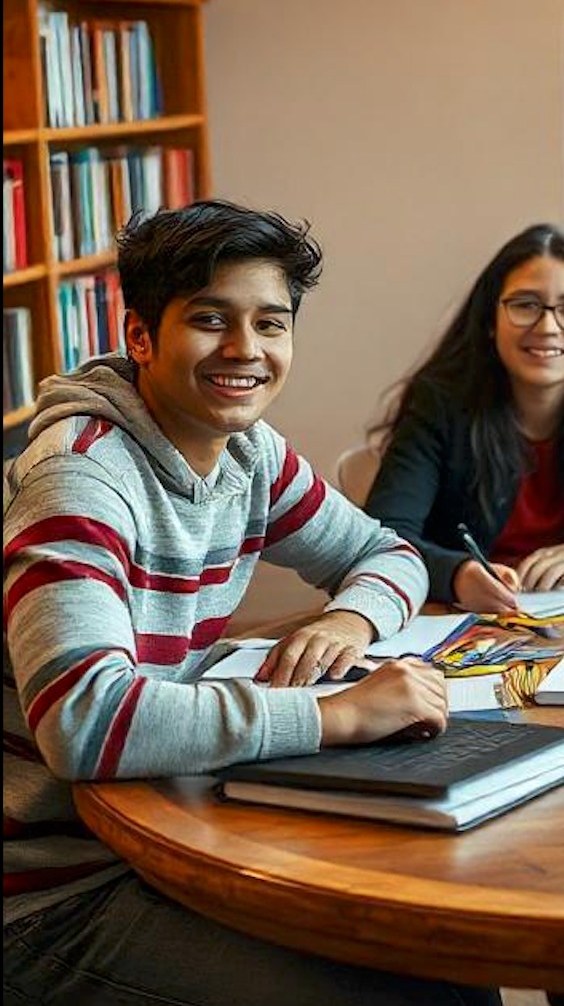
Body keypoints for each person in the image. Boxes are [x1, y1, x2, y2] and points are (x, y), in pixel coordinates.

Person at [2, 201, 495, 1004]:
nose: (246, 350)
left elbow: (389, 556)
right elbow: (85, 721)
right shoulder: (80, 479)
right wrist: (338, 717)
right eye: (210, 319)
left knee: (452, 967)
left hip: (168, 830)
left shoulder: (249, 454)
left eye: (272, 323)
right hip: (52, 893)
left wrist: (350, 616)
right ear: (140, 336)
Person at [366, 223, 564, 614]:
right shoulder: (439, 402)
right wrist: (456, 574)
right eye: (525, 305)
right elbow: (385, 535)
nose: (548, 327)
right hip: (464, 623)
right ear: (490, 319)